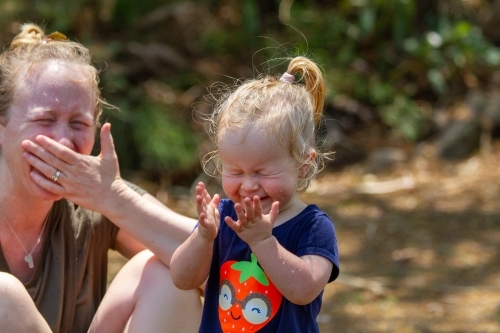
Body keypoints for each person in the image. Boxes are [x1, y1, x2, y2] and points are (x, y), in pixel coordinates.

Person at [0, 23, 203, 333]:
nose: (63, 142)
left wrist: (115, 199)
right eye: (45, 120)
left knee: (167, 274)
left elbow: (227, 267)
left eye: (78, 124)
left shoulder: (97, 195)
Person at [170, 56, 340, 332]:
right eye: (235, 172)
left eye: (262, 172)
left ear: (303, 166)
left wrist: (263, 242)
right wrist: (202, 238)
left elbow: (304, 289)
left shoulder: (314, 227)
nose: (248, 185)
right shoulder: (224, 217)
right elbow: (183, 279)